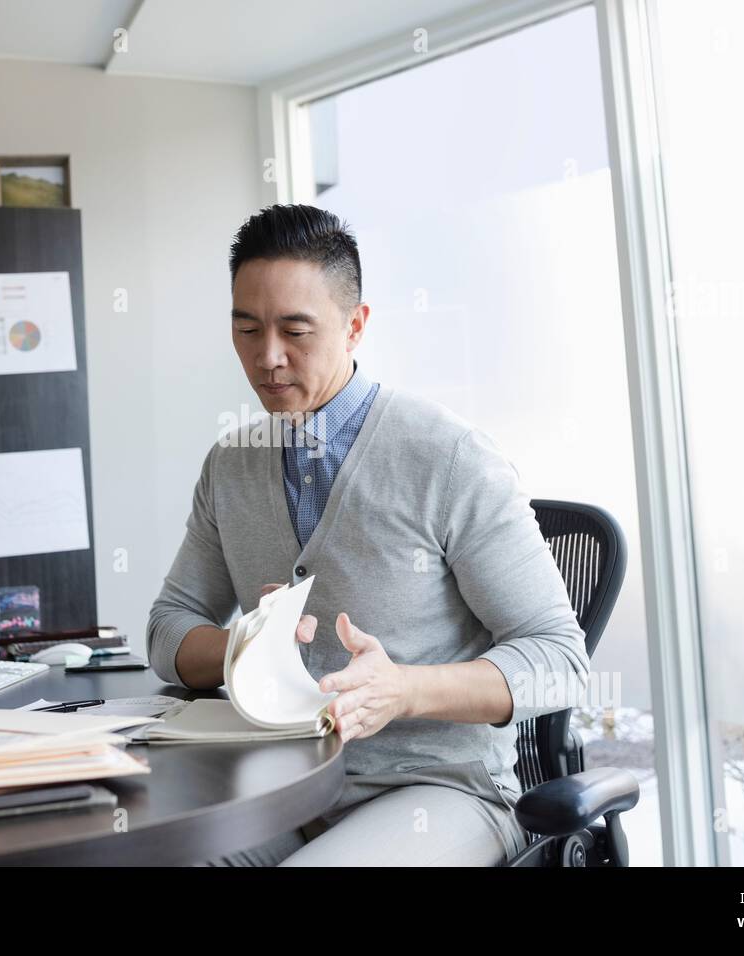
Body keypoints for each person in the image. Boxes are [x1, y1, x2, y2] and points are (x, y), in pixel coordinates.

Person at [147, 204, 589, 866]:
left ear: (356, 326)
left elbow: (560, 662)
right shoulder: (229, 466)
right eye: (246, 329)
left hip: (439, 795)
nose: (267, 358)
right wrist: (245, 642)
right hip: (283, 791)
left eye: (296, 330)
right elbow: (167, 631)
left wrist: (403, 690)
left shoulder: (449, 457)